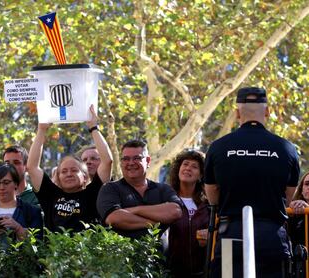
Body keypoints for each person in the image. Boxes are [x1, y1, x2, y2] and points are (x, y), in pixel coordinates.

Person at [204, 87, 300, 278]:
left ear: (237, 112)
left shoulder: (219, 147)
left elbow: (212, 193)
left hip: (231, 233)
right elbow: (289, 196)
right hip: (271, 236)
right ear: (267, 111)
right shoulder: (286, 148)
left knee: (227, 275)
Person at [27, 105, 113, 232]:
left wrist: (94, 128)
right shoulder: (50, 194)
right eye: (64, 171)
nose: (69, 174)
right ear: (58, 177)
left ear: (84, 176)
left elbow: (107, 161)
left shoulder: (93, 193)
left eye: (74, 170)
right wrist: (41, 130)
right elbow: (32, 167)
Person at [97, 139, 182, 239]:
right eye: (126, 159)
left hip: (159, 254)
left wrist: (134, 210)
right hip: (123, 253)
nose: (131, 163)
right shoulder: (110, 189)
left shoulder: (163, 189)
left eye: (137, 158)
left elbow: (175, 211)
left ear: (148, 161)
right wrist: (154, 225)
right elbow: (114, 218)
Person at [166, 150, 209, 278]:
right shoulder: (166, 199)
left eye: (194, 166)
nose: (188, 168)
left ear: (201, 175)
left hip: (203, 273)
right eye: (185, 164)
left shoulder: (209, 205)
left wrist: (211, 235)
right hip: (172, 273)